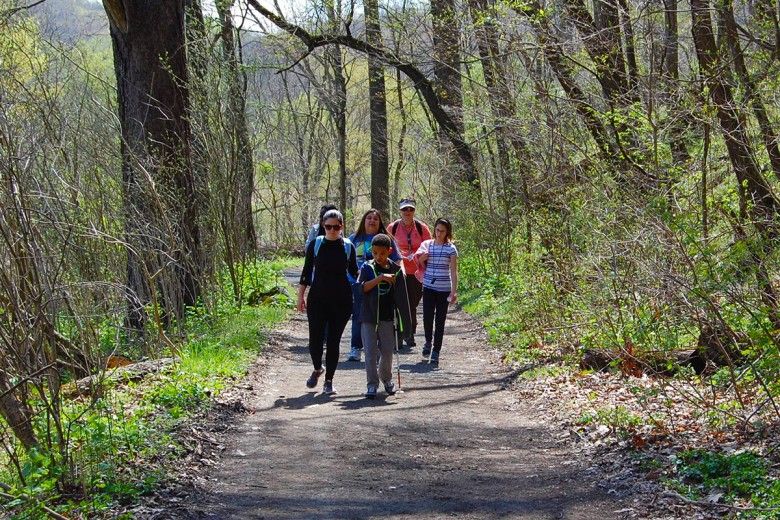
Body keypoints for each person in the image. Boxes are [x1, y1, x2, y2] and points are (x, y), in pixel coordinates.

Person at [297, 209, 358, 395]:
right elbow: (306, 273)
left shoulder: (348, 246)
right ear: (323, 226)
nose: (332, 230)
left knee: (333, 341)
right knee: (314, 341)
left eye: (336, 227)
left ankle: (329, 381)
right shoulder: (316, 244)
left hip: (341, 300)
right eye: (328, 227)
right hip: (317, 299)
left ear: (342, 227)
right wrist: (300, 297)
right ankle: (317, 368)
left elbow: (355, 273)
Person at [357, 234, 412, 398]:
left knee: (388, 352)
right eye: (374, 253)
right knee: (370, 352)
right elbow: (361, 288)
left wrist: (405, 323)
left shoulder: (396, 270)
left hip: (388, 317)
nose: (378, 257)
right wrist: (380, 278)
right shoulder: (367, 268)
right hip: (368, 317)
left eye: (382, 253)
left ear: (389, 251)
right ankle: (371, 384)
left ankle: (386, 379)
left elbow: (402, 298)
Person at [346, 209, 401, 362]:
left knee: (379, 316)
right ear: (364, 221)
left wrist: (396, 276)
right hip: (357, 283)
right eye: (369, 218)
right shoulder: (354, 239)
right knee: (358, 315)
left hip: (382, 285)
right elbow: (346, 262)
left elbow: (397, 260)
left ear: (380, 223)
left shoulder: (386, 239)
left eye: (375, 219)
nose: (372, 221)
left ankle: (377, 348)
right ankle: (356, 348)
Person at [388, 198, 431, 348]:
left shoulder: (422, 228)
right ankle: (404, 335)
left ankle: (410, 329)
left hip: (417, 271)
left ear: (414, 211)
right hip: (399, 270)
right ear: (400, 211)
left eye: (411, 209)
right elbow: (387, 248)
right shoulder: (392, 228)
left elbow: (428, 247)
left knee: (412, 303)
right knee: (400, 303)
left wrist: (419, 258)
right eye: (405, 209)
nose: (408, 212)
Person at [414, 218, 458, 363]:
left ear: (447, 232)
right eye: (437, 230)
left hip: (443, 289)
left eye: (442, 231)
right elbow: (418, 262)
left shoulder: (451, 249)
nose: (439, 233)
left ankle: (436, 351)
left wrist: (453, 291)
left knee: (440, 320)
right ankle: (428, 342)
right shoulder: (427, 245)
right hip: (428, 287)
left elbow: (453, 271)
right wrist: (422, 259)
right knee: (427, 317)